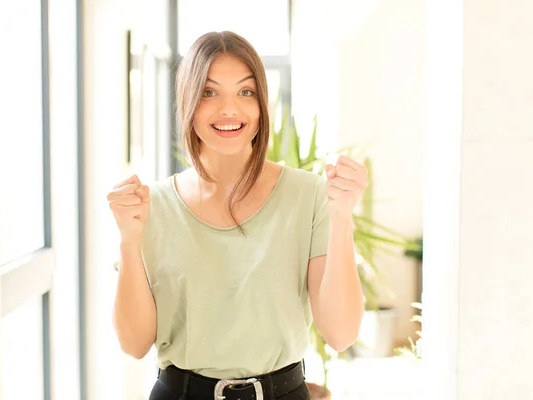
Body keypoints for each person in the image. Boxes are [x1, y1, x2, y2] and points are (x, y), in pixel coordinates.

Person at [107, 31, 369, 400]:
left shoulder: (308, 195)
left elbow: (341, 333)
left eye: (245, 92)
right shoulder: (154, 206)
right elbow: (134, 344)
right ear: (188, 102)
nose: (229, 109)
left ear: (262, 103)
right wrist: (129, 240)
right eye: (209, 92)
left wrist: (341, 217)